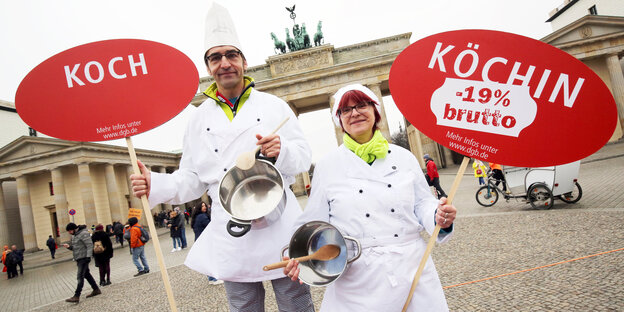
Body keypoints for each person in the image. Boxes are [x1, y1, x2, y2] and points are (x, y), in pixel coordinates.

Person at [129, 3, 314, 311]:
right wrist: (155, 185)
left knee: (296, 302)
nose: (225, 63)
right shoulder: (198, 119)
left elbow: (304, 158)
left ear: (244, 61)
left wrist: (282, 150)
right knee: (242, 307)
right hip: (232, 228)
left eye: (231, 55)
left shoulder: (273, 105)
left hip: (279, 222)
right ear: (208, 67)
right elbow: (192, 178)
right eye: (216, 58)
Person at [283, 84, 457, 311]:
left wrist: (438, 216)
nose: (354, 113)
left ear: (376, 111)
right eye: (345, 110)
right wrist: (296, 255)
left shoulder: (404, 157)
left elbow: (422, 203)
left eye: (362, 105)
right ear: (339, 120)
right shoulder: (327, 165)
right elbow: (313, 222)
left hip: (411, 265)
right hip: (358, 275)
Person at [62, 223, 101, 303]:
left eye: (70, 230)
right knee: (87, 274)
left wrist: (88, 257)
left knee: (80, 276)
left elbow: (89, 245)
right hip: (79, 258)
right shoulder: (74, 236)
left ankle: (77, 295)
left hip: (84, 258)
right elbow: (76, 248)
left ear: (74, 229)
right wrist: (69, 247)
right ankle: (96, 289)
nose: (69, 232)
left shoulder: (83, 234)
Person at [191, 200, 222, 285]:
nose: (204, 207)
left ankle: (211, 278)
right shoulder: (202, 217)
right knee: (211, 259)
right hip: (206, 240)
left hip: (199, 240)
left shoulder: (196, 217)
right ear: (199, 208)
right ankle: (214, 278)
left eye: (205, 205)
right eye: (202, 206)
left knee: (208, 259)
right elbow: (211, 227)